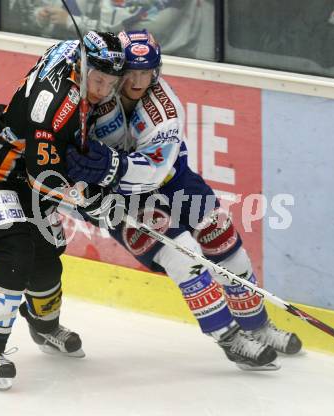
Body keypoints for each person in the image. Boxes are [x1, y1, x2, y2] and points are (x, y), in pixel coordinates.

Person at [66, 29, 303, 371]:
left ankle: (258, 326)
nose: (136, 80)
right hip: (119, 198)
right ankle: (231, 339)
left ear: (156, 72)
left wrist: (108, 165)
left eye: (145, 72)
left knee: (225, 243)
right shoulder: (97, 89)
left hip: (170, 180)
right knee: (183, 257)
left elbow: (151, 171)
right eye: (130, 71)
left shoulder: (165, 110)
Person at [0, 31, 125, 390]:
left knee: (47, 260)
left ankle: (44, 327)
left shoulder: (72, 54)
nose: (104, 89)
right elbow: (43, 178)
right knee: (16, 254)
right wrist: (90, 199)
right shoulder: (54, 107)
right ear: (82, 66)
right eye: (98, 79)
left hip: (26, 170)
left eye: (111, 82)